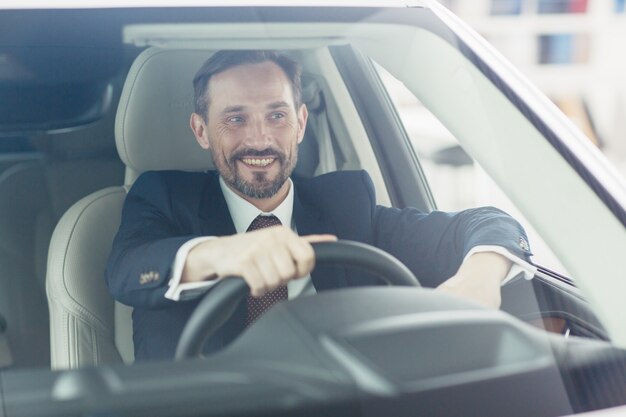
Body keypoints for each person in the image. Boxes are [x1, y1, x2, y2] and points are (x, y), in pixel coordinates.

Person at [106, 50, 535, 361]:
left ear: (300, 123)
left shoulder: (348, 205)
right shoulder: (162, 197)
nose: (259, 139)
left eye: (277, 115)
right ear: (201, 130)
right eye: (235, 119)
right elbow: (128, 270)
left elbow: (489, 222)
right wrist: (227, 253)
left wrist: (480, 279)